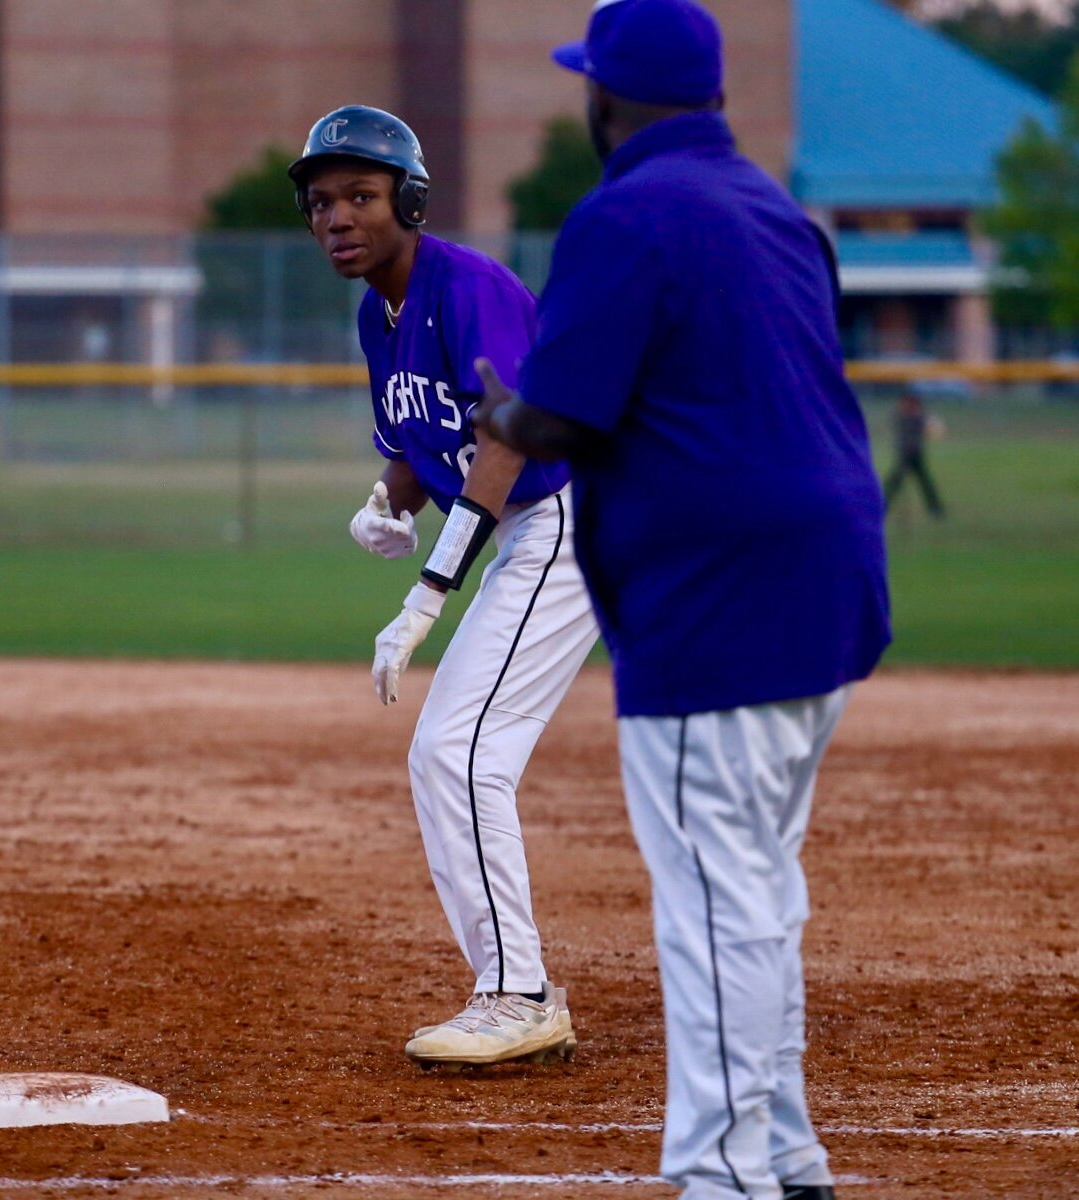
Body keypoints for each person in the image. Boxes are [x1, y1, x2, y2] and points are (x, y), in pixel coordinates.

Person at [468, 2, 890, 1197]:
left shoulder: (627, 212)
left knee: (714, 907)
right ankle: (787, 1158)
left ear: (607, 100)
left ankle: (723, 1179)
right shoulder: (774, 211)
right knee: (753, 891)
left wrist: (500, 413)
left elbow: (561, 416)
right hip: (823, 587)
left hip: (719, 599)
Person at [289, 106, 597, 1069]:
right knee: (455, 753)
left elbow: (506, 435)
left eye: (361, 197)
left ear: (409, 202)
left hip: (570, 518)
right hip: (528, 532)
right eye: (321, 201)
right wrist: (381, 501)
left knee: (458, 750)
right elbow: (421, 442)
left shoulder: (468, 288)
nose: (337, 217)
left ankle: (517, 993)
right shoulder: (374, 312)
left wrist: (426, 591)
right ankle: (516, 987)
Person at [882, 386, 946, 517]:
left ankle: (935, 509)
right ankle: (882, 505)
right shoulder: (901, 416)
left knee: (922, 482)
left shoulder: (919, 416)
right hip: (905, 454)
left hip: (915, 454)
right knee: (895, 481)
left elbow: (932, 429)